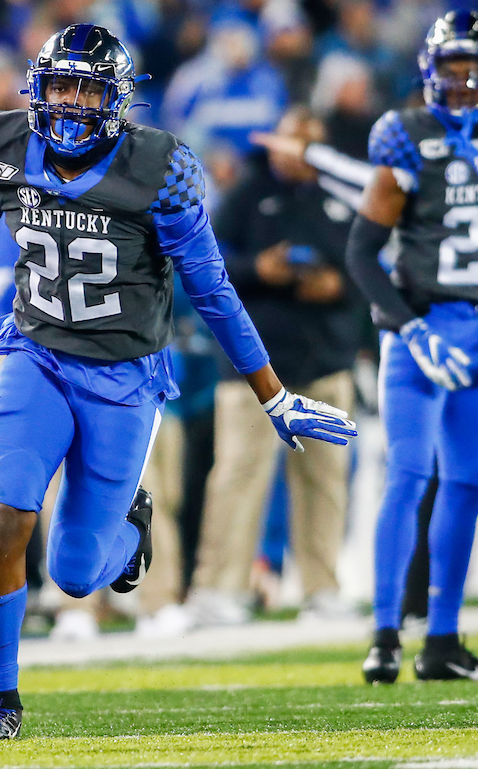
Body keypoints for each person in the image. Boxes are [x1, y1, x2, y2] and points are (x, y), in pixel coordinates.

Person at [0, 23, 357, 740]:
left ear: (116, 99)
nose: (74, 102)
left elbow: (213, 292)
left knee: (77, 575)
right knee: (7, 515)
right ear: (39, 87)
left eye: (89, 88)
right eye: (61, 85)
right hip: (37, 356)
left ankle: (128, 527)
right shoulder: (5, 145)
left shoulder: (158, 167)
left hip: (124, 378)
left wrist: (274, 394)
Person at [343, 11, 478, 684]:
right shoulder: (406, 136)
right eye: (449, 66)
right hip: (421, 331)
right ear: (428, 69)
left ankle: (444, 642)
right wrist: (408, 328)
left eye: (474, 67)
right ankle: (383, 637)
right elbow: (363, 252)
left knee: (468, 480)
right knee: (408, 476)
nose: (460, 81)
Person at [186, 106, 363, 628]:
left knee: (326, 480)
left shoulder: (345, 198)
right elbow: (203, 259)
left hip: (325, 359)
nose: (294, 154)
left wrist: (338, 286)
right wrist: (258, 270)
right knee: (238, 475)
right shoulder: (246, 192)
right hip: (253, 368)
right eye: (288, 142)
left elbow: (370, 266)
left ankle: (322, 588)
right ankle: (218, 588)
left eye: (306, 145)